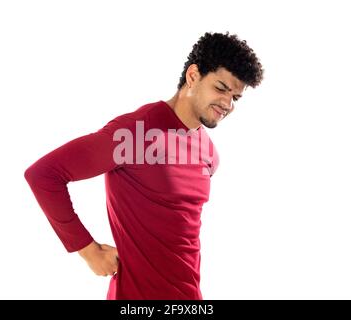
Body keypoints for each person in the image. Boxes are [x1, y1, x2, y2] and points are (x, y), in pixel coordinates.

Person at [24, 31, 264, 299]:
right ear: (193, 75)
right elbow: (44, 175)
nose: (227, 104)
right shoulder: (135, 133)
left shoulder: (209, 153)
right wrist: (88, 250)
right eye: (221, 88)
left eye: (236, 97)